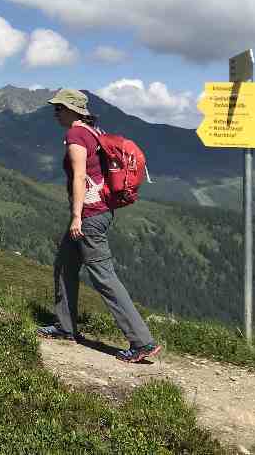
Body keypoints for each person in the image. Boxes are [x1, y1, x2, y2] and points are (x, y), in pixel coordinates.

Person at [37, 88, 162, 364]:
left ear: (73, 110)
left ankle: (141, 342)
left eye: (59, 108)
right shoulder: (94, 131)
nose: (55, 112)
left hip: (89, 217)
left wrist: (76, 216)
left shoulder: (75, 135)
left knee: (104, 277)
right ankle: (65, 327)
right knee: (64, 265)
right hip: (100, 211)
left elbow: (80, 177)